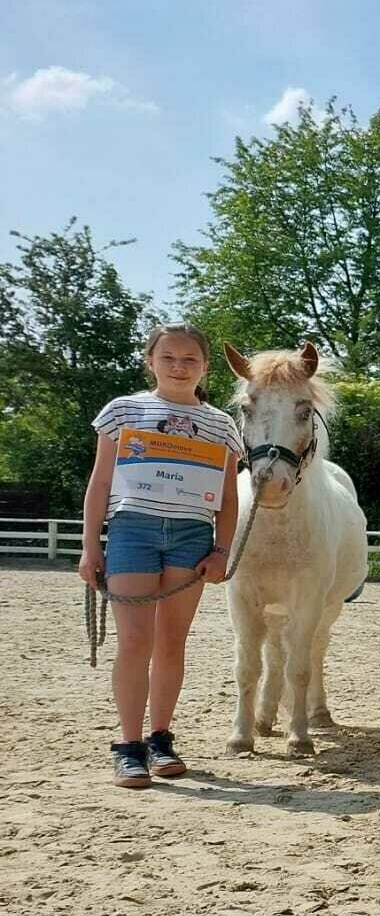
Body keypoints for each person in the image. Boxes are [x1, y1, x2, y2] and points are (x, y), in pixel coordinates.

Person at [78, 323, 243, 787]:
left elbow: (228, 497)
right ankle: (128, 745)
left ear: (205, 367)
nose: (178, 366)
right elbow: (101, 482)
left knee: (172, 641)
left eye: (190, 359)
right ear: (150, 360)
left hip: (191, 535)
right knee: (135, 641)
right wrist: (91, 546)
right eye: (168, 357)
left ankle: (160, 738)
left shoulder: (221, 424)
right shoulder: (124, 411)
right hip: (134, 530)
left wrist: (221, 550)